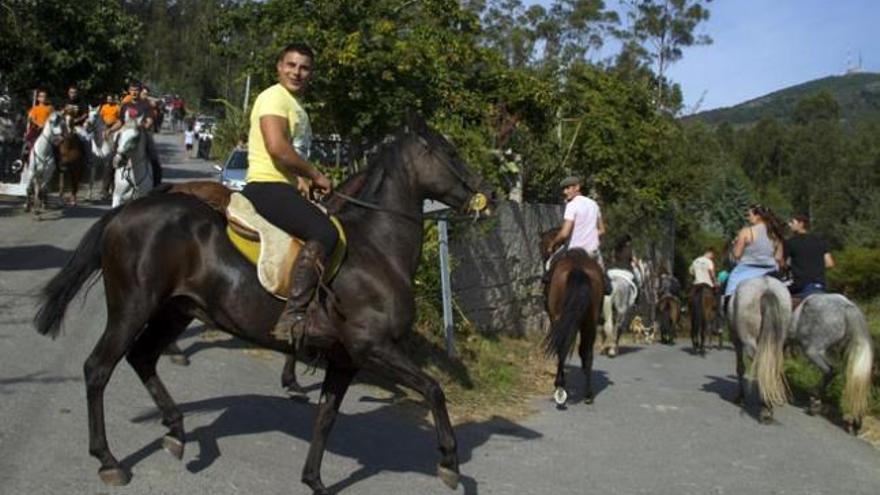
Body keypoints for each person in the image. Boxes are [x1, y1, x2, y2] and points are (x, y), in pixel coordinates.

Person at [243, 42, 336, 343]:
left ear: (311, 73)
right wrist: (315, 174)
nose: (297, 72)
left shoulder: (294, 105)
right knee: (326, 232)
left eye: (304, 67)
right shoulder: (273, 98)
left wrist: (301, 181)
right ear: (279, 67)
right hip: (265, 186)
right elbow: (277, 148)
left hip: (281, 185)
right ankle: (293, 315)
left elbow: (288, 157)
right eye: (291, 65)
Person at [544, 176, 612, 295]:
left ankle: (548, 289)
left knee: (549, 264)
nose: (565, 192)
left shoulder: (572, 205)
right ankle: (606, 286)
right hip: (592, 251)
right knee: (602, 272)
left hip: (573, 249)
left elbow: (564, 233)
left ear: (577, 187)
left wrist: (553, 243)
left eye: (568, 188)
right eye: (564, 189)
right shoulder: (594, 204)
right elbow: (602, 230)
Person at [723, 204, 785, 305]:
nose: (748, 217)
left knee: (728, 292)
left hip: (746, 269)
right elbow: (779, 258)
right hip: (771, 270)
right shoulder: (775, 233)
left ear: (758, 216)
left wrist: (735, 245)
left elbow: (737, 254)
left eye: (750, 214)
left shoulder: (747, 231)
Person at [784, 214, 834, 298]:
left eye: (792, 222)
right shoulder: (820, 240)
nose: (789, 224)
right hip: (820, 284)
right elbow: (830, 263)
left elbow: (783, 263)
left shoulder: (791, 242)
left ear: (801, 224)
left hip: (800, 285)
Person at [21, 89, 54, 161]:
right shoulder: (35, 108)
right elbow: (31, 118)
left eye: (45, 96)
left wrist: (45, 125)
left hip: (47, 129)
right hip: (36, 129)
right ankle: (22, 161)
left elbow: (52, 118)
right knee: (28, 142)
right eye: (41, 96)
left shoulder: (50, 108)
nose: (43, 98)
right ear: (38, 98)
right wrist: (38, 124)